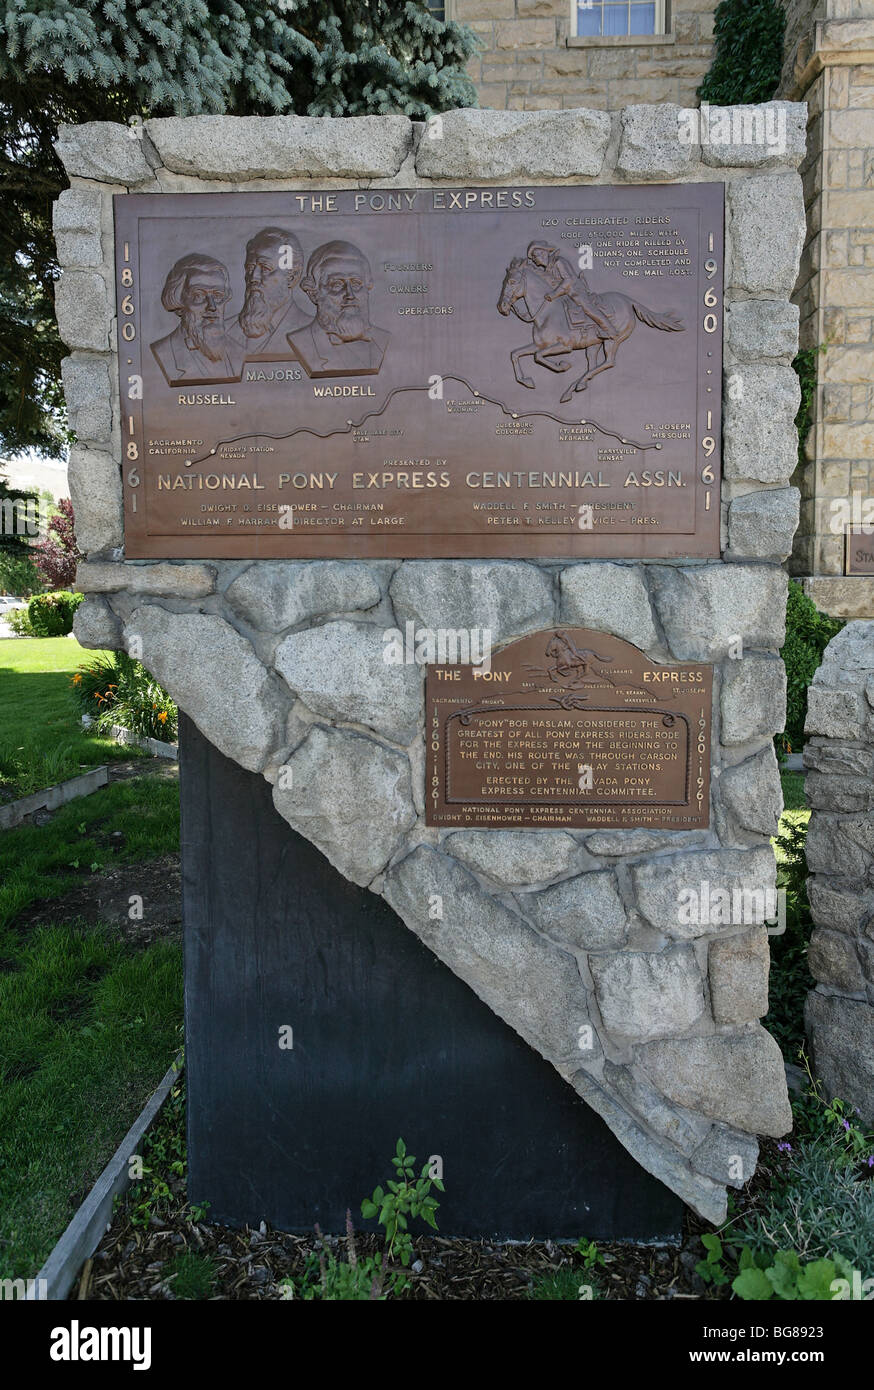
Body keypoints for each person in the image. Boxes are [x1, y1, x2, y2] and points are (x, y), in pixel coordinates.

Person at [287, 240, 390, 377]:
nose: (350, 295)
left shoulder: (384, 339)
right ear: (313, 294)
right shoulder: (302, 341)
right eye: (336, 285)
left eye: (356, 284)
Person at [150, 253, 236, 384]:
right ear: (179, 302)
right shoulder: (164, 353)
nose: (212, 307)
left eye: (218, 296)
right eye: (199, 296)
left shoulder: (238, 349)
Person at [226, 227, 309, 362]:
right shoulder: (225, 331)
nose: (254, 277)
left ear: (292, 277)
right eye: (251, 268)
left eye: (265, 268)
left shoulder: (311, 333)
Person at [526, 241, 617, 340]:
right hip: (563, 295)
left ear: (543, 254)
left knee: (587, 307)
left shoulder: (558, 262)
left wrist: (554, 294)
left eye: (535, 256)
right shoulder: (548, 269)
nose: (534, 260)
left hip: (575, 291)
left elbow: (569, 280)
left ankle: (610, 330)